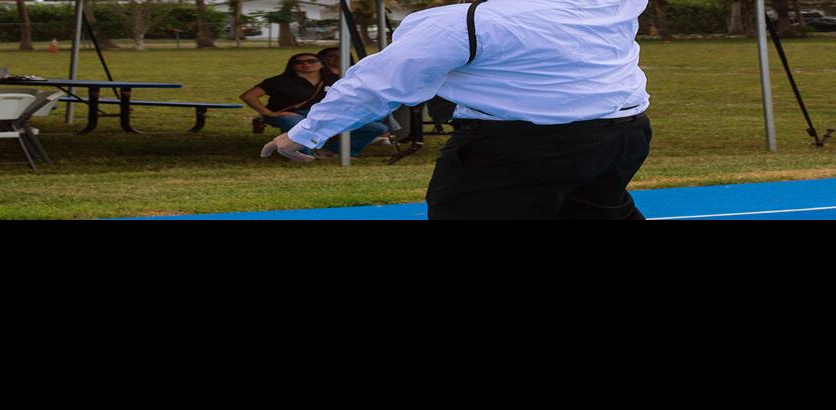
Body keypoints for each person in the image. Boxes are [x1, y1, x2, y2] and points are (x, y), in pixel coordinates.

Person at [260, 0, 653, 220]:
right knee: (598, 214)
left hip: (518, 149)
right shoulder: (608, 3)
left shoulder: (460, 23)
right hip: (623, 136)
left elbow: (377, 84)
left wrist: (304, 132)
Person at [241, 53, 388, 160]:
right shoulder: (279, 81)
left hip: (325, 115)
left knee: (376, 127)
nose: (306, 64)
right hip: (291, 114)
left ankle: (333, 152)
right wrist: (269, 113)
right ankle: (304, 155)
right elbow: (248, 96)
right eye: (300, 62)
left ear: (321, 63)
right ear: (292, 66)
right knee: (297, 123)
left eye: (312, 61)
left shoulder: (335, 80)